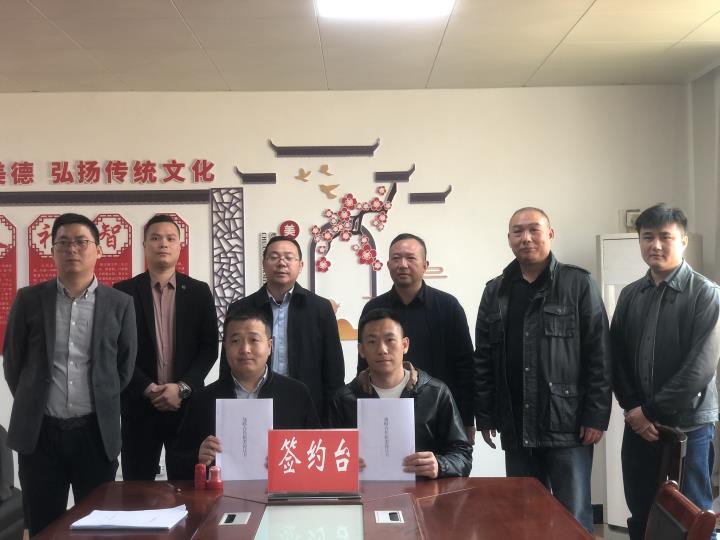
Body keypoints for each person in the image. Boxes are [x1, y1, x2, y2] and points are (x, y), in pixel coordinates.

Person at [474, 207, 611, 532]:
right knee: (523, 517)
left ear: (550, 234)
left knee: (573, 517)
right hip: (516, 424)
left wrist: (595, 415)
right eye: (518, 231)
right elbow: (483, 359)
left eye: (534, 230)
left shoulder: (578, 284)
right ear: (509, 239)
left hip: (567, 425)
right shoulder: (495, 291)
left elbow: (600, 353)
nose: (526, 238)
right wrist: (486, 415)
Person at [3, 213, 136, 537]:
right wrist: (34, 400)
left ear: (98, 250)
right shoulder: (29, 299)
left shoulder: (120, 304)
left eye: (80, 242)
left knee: (99, 525)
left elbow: (124, 366)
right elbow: (13, 363)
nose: (72, 249)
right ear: (52, 252)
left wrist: (101, 398)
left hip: (95, 433)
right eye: (63, 243)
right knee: (43, 525)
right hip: (41, 434)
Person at [611, 203, 720, 540]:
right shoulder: (630, 295)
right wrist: (633, 409)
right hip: (639, 426)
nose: (655, 245)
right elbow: (616, 357)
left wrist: (649, 411)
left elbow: (699, 369)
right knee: (641, 512)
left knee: (691, 516)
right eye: (647, 237)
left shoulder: (706, 294)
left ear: (683, 241)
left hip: (688, 426)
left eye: (665, 237)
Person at [113, 214, 218, 481]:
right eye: (156, 238)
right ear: (144, 245)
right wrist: (148, 388)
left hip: (187, 406)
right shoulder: (122, 292)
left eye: (170, 238)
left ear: (179, 246)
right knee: (137, 487)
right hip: (138, 406)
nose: (163, 244)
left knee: (188, 484)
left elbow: (209, 348)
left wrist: (181, 388)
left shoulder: (198, 292)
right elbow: (117, 351)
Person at [171, 311, 319, 479]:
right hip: (220, 493)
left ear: (269, 346)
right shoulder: (202, 399)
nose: (245, 349)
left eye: (254, 340)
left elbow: (317, 454)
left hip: (282, 491)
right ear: (225, 348)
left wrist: (293, 457)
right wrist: (197, 458)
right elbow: (176, 461)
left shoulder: (296, 394)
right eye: (236, 341)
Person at [357, 233, 476, 442]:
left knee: (439, 463)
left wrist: (467, 420)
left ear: (425, 265)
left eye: (410, 258)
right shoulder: (373, 309)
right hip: (384, 413)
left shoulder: (448, 307)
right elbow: (364, 367)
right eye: (396, 258)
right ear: (388, 265)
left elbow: (465, 366)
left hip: (439, 414)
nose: (403, 264)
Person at [331, 308, 472, 479]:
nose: (382, 349)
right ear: (361, 350)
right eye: (372, 342)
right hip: (364, 492)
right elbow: (327, 458)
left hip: (425, 492)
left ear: (405, 345)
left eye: (390, 340)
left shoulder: (435, 393)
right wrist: (341, 465)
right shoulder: (345, 399)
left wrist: (440, 465)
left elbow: (462, 454)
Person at [223, 235, 344, 424]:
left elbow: (334, 370)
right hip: (252, 404)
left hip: (306, 407)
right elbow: (227, 365)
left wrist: (330, 420)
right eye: (274, 257)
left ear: (301, 265)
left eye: (289, 257)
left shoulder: (320, 309)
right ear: (264, 264)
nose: (281, 263)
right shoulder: (241, 308)